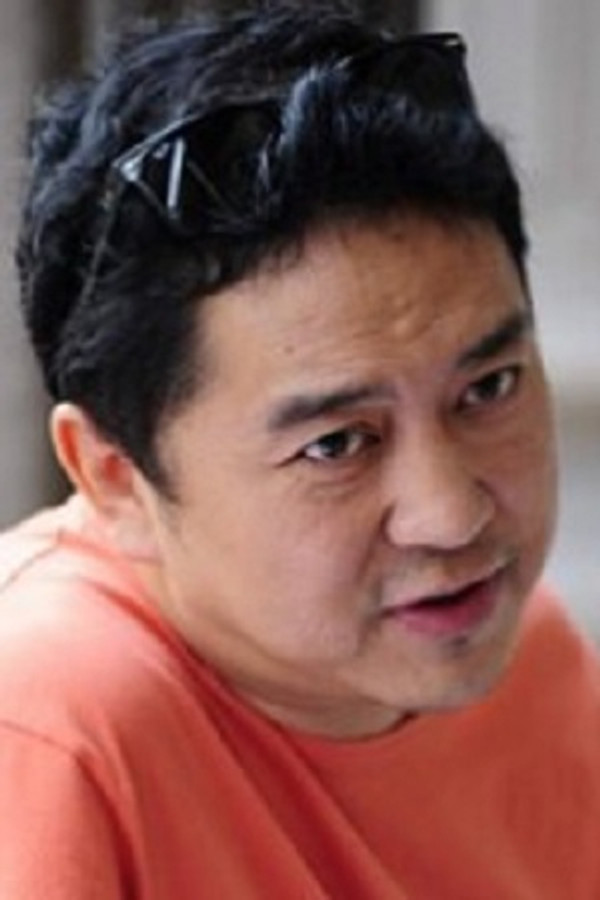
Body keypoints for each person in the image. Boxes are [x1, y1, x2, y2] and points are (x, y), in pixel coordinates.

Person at [2, 1, 599, 896]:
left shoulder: (527, 652)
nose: (452, 515)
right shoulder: (48, 725)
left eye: (488, 388)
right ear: (116, 478)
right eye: (337, 444)